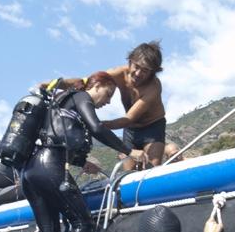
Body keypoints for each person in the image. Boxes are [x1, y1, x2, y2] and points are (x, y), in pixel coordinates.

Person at [22, 71, 145, 232]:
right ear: (95, 86)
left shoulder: (63, 103)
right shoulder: (81, 96)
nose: (109, 101)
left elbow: (56, 138)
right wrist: (129, 151)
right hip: (48, 167)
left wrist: (82, 162)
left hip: (30, 171)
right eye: (109, 94)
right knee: (83, 224)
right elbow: (96, 127)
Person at [52, 41, 167, 170]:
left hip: (152, 128)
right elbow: (87, 82)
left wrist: (100, 126)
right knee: (128, 173)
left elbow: (129, 119)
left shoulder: (153, 88)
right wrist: (52, 84)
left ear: (153, 72)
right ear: (130, 61)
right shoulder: (118, 73)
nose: (138, 73)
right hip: (130, 130)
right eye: (137, 66)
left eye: (145, 71)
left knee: (151, 168)